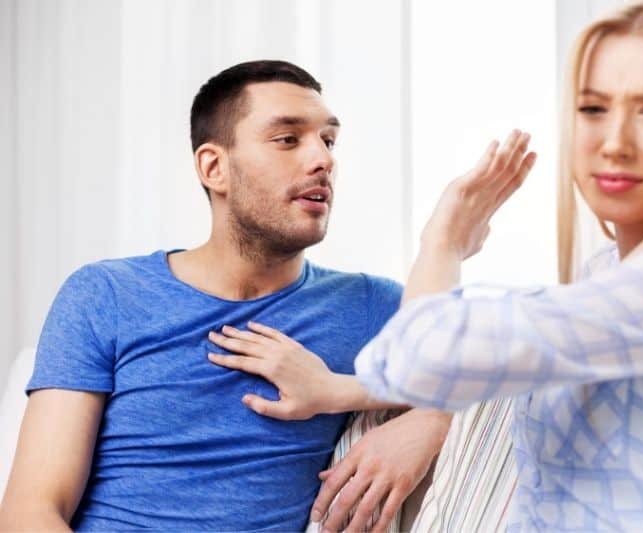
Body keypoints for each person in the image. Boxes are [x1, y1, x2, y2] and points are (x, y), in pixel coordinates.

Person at [352, 1, 643, 531]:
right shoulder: (603, 272)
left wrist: (444, 240)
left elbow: (421, 359)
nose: (614, 142)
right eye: (593, 109)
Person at [0, 60, 452, 531]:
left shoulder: (367, 305)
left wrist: (430, 421)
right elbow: (31, 510)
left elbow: (503, 366)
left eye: (329, 140)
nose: (322, 159)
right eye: (288, 140)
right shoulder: (106, 295)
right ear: (214, 167)